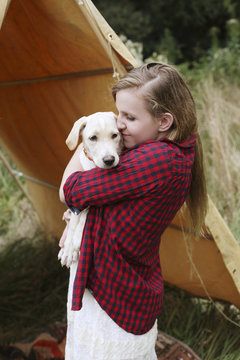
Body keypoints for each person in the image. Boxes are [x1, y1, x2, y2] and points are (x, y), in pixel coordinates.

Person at [59, 62, 208, 360]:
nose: (120, 125)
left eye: (129, 117)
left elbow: (69, 190)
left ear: (164, 121)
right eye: (118, 115)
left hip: (113, 294)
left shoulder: (155, 159)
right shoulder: (172, 148)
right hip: (125, 280)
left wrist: (85, 145)